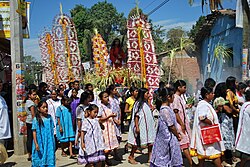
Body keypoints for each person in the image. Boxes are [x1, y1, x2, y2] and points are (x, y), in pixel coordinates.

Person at [190, 87, 225, 167]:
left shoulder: (205, 104)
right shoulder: (203, 105)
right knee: (215, 153)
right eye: (212, 93)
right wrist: (212, 122)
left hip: (204, 135)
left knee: (202, 156)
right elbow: (202, 117)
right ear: (206, 95)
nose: (213, 94)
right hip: (208, 135)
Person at [150, 87, 183, 167]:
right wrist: (177, 135)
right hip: (166, 138)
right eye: (173, 96)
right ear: (168, 97)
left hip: (167, 137)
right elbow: (171, 126)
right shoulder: (165, 110)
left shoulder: (167, 108)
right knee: (163, 159)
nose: (174, 98)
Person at [127, 88, 156, 164]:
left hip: (148, 126)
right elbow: (136, 116)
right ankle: (131, 156)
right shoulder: (138, 104)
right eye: (147, 93)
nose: (148, 95)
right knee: (136, 143)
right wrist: (137, 127)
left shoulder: (146, 103)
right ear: (142, 94)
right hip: (140, 126)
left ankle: (150, 157)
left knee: (150, 142)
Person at [171, 80, 192, 166]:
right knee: (184, 144)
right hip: (179, 125)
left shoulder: (179, 97)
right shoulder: (175, 98)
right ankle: (191, 163)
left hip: (182, 123)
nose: (185, 89)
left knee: (182, 143)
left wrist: (186, 106)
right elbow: (176, 112)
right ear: (179, 88)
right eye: (184, 87)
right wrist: (182, 124)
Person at [214, 82, 235, 166]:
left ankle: (227, 157)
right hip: (224, 122)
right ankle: (225, 159)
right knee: (225, 139)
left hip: (226, 121)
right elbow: (229, 110)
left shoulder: (220, 99)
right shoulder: (220, 101)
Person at [98, 91, 119, 166]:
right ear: (101, 98)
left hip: (110, 127)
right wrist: (109, 116)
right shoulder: (100, 107)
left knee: (111, 146)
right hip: (104, 128)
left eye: (107, 96)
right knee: (105, 146)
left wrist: (115, 119)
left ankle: (106, 159)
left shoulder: (109, 105)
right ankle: (103, 161)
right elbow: (99, 119)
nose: (107, 98)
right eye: (105, 97)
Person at [32, 101, 56, 167]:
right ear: (39, 109)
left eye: (46, 107)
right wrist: (36, 143)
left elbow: (52, 129)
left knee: (50, 157)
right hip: (40, 142)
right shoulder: (36, 119)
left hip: (49, 142)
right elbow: (34, 132)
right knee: (40, 157)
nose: (46, 109)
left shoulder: (49, 117)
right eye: (43, 107)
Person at [235, 89, 250, 167]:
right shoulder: (248, 106)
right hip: (247, 132)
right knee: (246, 154)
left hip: (245, 131)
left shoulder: (245, 104)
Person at [24, 89, 37, 161]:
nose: (35, 96)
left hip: (28, 121)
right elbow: (33, 114)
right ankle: (31, 154)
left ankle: (29, 153)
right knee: (32, 138)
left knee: (29, 138)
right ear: (29, 95)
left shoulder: (27, 102)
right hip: (32, 122)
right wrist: (36, 122)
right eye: (33, 94)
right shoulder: (31, 103)